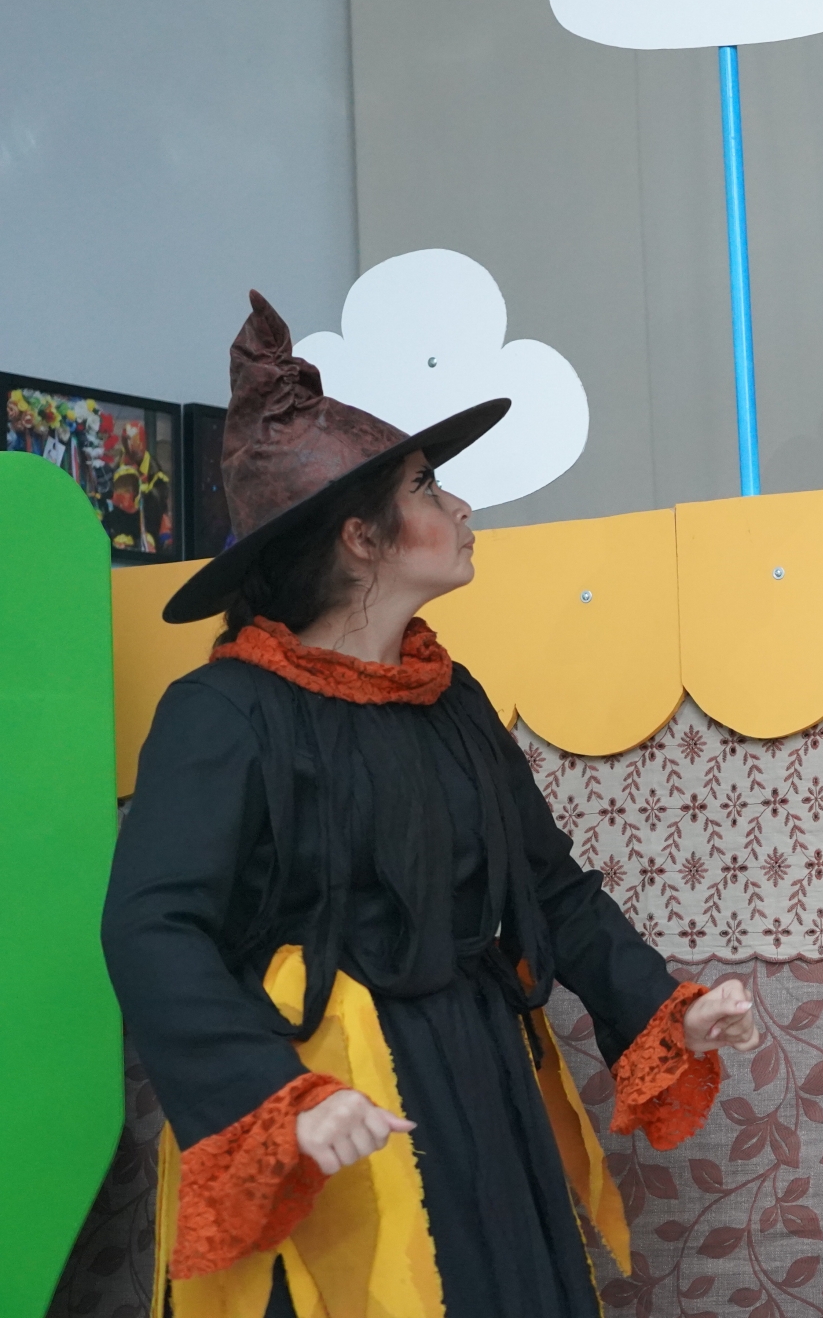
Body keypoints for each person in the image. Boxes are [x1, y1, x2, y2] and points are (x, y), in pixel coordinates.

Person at [104, 294, 766, 1317]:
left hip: (481, 1074)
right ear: (359, 539)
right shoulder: (225, 711)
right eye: (427, 486)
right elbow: (153, 926)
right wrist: (271, 1097)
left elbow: (552, 889)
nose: (459, 508)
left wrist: (665, 1005)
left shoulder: (447, 698)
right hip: (335, 1092)